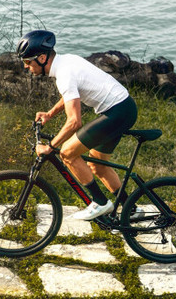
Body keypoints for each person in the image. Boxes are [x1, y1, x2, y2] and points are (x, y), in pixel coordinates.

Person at [16, 30, 143, 220]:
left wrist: (50, 147)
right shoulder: (66, 62)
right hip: (122, 109)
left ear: (42, 58)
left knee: (67, 153)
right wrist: (50, 113)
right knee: (97, 165)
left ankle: (100, 203)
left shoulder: (64, 74)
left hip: (118, 112)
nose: (26, 67)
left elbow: (75, 121)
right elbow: (71, 95)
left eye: (27, 62)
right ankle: (131, 210)